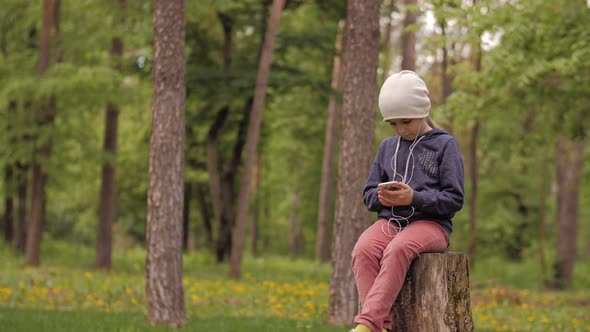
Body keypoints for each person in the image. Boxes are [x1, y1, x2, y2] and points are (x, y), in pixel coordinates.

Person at [349, 70, 465, 332]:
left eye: (406, 121)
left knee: (398, 249)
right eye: (393, 124)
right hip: (390, 220)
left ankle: (367, 325)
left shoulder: (446, 145)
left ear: (422, 111)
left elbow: (454, 199)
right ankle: (383, 327)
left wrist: (414, 197)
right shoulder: (387, 147)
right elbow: (369, 195)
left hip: (432, 226)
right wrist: (383, 197)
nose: (401, 130)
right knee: (363, 250)